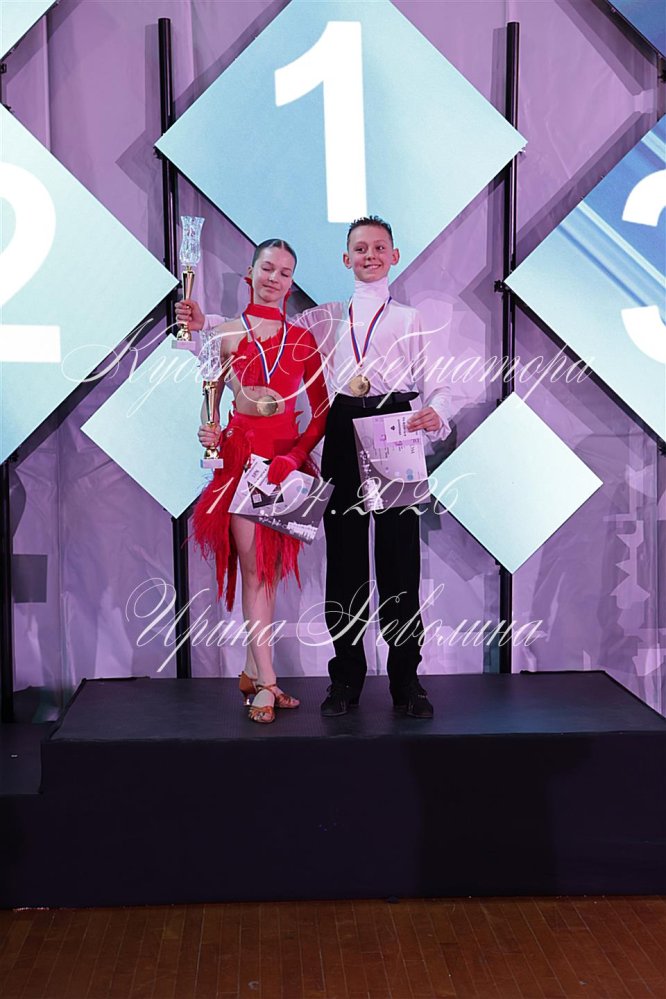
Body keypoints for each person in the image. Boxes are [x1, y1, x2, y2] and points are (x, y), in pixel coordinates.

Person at [177, 217, 452, 719]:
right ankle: (344, 678)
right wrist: (202, 321)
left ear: (395, 256)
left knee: (400, 560)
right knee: (345, 560)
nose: (370, 256)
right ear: (346, 259)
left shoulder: (412, 319)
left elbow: (439, 383)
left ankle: (407, 680)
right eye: (360, 248)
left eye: (379, 248)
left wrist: (437, 411)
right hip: (342, 427)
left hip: (395, 425)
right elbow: (263, 325)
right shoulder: (324, 318)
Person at [185, 239, 329, 724]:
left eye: (285, 272)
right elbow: (209, 398)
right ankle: (266, 681)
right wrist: (210, 432)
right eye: (267, 268)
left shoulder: (303, 339)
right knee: (256, 572)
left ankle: (252, 670)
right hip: (241, 464)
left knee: (270, 573)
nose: (274, 278)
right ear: (250, 272)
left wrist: (296, 456)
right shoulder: (224, 333)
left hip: (286, 469)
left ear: (292, 283)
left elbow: (321, 412)